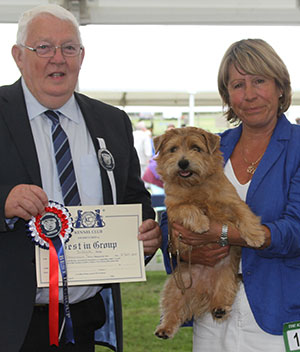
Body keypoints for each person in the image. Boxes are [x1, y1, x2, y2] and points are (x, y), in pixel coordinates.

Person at [0, 4, 161, 352]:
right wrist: (3, 202)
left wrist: (147, 233)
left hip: (84, 320)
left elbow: (135, 199)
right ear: (18, 56)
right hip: (10, 321)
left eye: (69, 48)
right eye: (43, 47)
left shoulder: (112, 122)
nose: (58, 58)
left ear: (81, 56)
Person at [160, 38, 300, 351]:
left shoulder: (297, 147)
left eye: (259, 81)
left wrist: (222, 234)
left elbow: (296, 229)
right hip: (212, 311)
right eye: (237, 85)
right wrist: (182, 249)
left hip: (278, 313)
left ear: (280, 87)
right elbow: (172, 212)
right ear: (228, 96)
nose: (249, 95)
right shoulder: (209, 146)